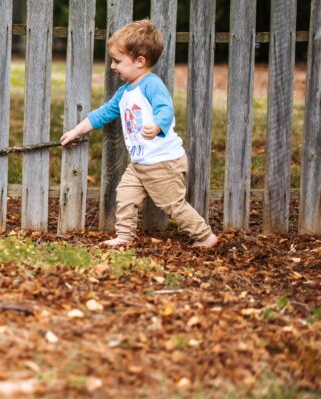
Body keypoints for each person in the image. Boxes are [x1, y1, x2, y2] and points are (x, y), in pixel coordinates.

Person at [60, 19, 219, 248]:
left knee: (172, 204)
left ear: (140, 62)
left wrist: (156, 126)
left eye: (117, 61)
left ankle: (205, 236)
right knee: (125, 195)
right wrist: (76, 131)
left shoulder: (151, 85)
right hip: (140, 163)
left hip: (163, 163)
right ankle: (125, 237)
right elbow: (103, 113)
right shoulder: (125, 92)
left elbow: (165, 109)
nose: (113, 66)